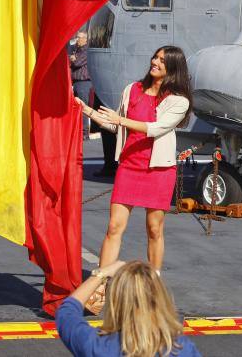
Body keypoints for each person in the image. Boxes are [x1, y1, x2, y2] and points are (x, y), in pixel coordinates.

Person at [78, 46, 192, 310]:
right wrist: (89, 112)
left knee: (154, 229)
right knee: (114, 228)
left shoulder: (179, 100)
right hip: (130, 166)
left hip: (159, 170)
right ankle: (99, 288)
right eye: (155, 57)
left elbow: (155, 129)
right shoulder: (132, 90)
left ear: (173, 68)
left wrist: (120, 120)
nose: (155, 62)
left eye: (162, 61)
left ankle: (153, 287)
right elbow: (116, 127)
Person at [56, 260, 200, 357]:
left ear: (116, 301)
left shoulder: (98, 346)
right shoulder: (180, 348)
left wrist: (101, 273)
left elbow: (67, 311)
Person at [70, 31, 92, 139]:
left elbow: (77, 62)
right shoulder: (77, 50)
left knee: (83, 107)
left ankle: (84, 133)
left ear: (85, 39)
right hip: (77, 82)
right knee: (77, 108)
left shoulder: (86, 50)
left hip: (84, 83)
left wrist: (73, 58)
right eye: (77, 37)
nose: (77, 39)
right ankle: (79, 131)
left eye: (79, 37)